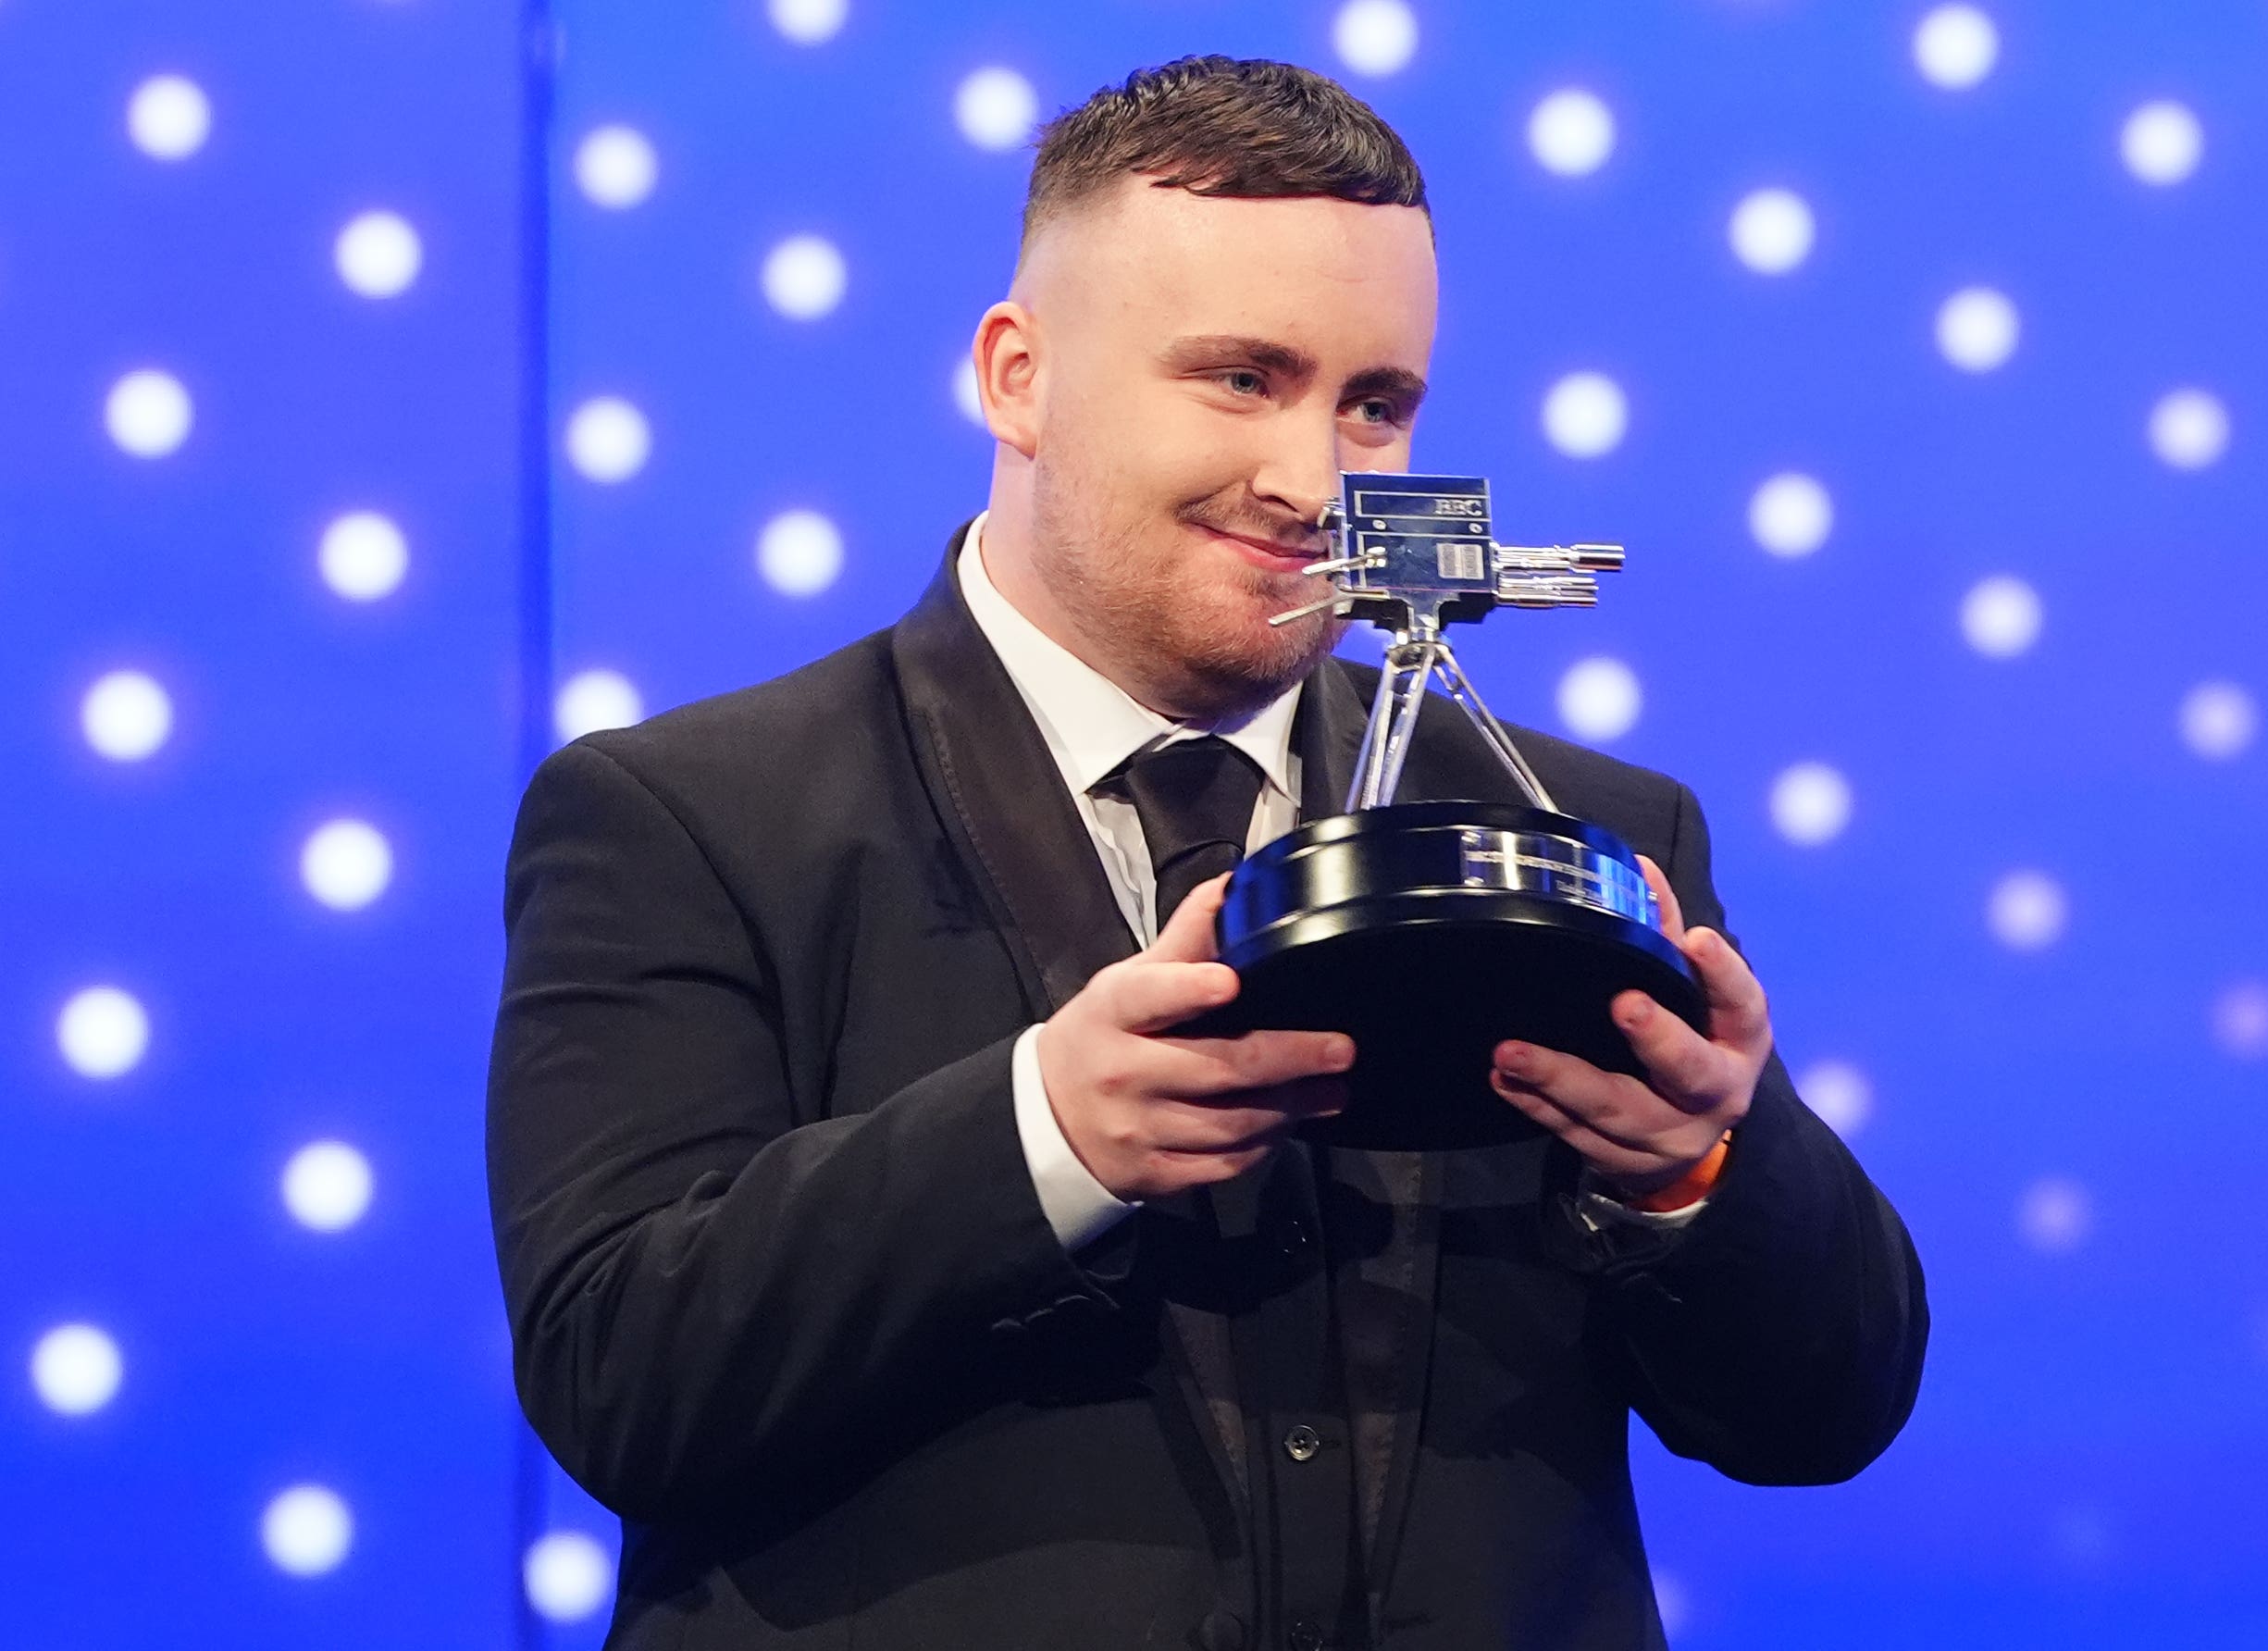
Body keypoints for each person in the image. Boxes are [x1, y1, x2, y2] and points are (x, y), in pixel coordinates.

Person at [486, 55, 1927, 1651]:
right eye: (1241, 378)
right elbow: (618, 1373)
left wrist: (1696, 1175)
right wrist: (1044, 1138)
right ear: (1016, 375)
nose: (1315, 481)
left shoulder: (1582, 837)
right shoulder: (689, 814)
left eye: (1372, 404)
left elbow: (1824, 1415)